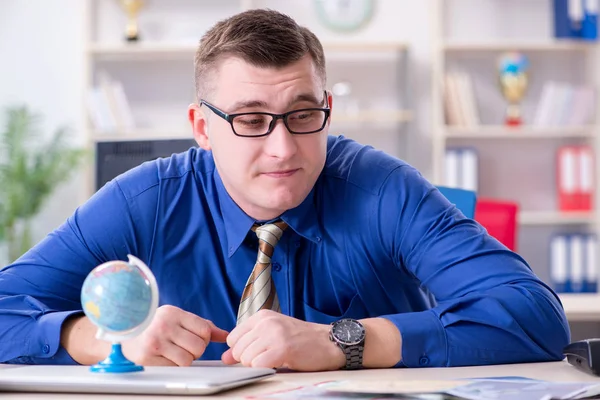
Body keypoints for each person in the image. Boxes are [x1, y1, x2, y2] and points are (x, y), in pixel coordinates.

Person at [0, 9, 569, 372]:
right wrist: (107, 338)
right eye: (250, 119)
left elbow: (533, 314)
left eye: (301, 114)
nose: (283, 148)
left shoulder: (383, 189)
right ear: (202, 127)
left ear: (326, 109)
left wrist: (343, 342)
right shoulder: (142, 200)